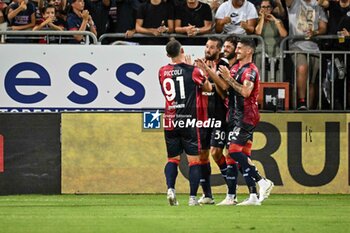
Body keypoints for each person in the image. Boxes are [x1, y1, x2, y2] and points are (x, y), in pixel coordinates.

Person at [197, 38, 274, 206]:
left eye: (239, 48)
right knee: (242, 155)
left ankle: (263, 182)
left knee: (233, 151)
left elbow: (245, 92)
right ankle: (252, 196)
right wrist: (211, 73)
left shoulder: (250, 70)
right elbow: (225, 90)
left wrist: (228, 79)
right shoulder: (236, 68)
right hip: (233, 115)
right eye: (236, 48)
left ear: (249, 51)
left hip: (246, 115)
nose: (236, 51)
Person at [159, 39, 212, 206]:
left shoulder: (162, 71)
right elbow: (208, 89)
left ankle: (170, 189)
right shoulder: (193, 71)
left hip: (170, 120)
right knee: (194, 161)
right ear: (182, 50)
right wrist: (194, 69)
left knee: (172, 159)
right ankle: (192, 198)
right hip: (188, 120)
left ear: (168, 54)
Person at [285, 0, 327, 110]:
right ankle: (301, 102)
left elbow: (323, 27)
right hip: (296, 45)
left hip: (314, 47)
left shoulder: (318, 5)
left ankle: (309, 108)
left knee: (312, 81)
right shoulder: (295, 2)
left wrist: (315, 32)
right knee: (302, 67)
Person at [254, 0, 287, 81]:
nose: (266, 9)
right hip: (261, 52)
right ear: (260, 8)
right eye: (263, 7)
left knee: (278, 78)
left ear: (271, 8)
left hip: (276, 52)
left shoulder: (277, 21)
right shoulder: (257, 21)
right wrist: (262, 18)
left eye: (268, 7)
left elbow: (284, 34)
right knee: (261, 77)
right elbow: (258, 33)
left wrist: (274, 20)